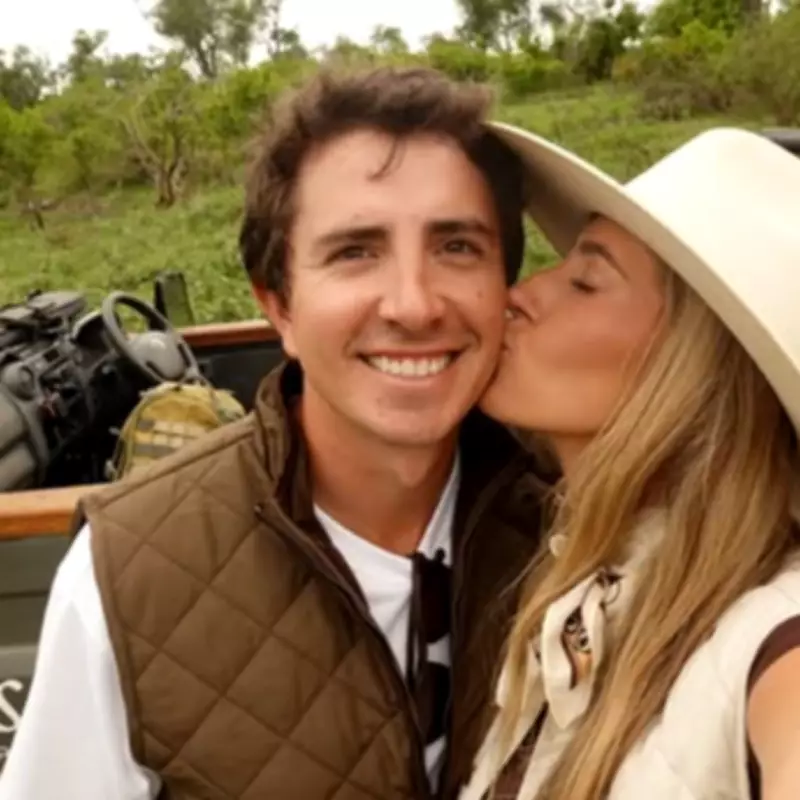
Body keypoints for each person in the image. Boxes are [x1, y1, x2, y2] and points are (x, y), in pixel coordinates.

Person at [0, 68, 549, 800]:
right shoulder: (126, 578)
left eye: (456, 247)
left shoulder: (584, 522)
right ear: (279, 306)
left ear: (505, 285)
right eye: (356, 251)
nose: (414, 305)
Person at [456, 123, 800, 800]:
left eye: (586, 280)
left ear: (696, 369)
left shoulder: (775, 641)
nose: (519, 294)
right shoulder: (588, 588)